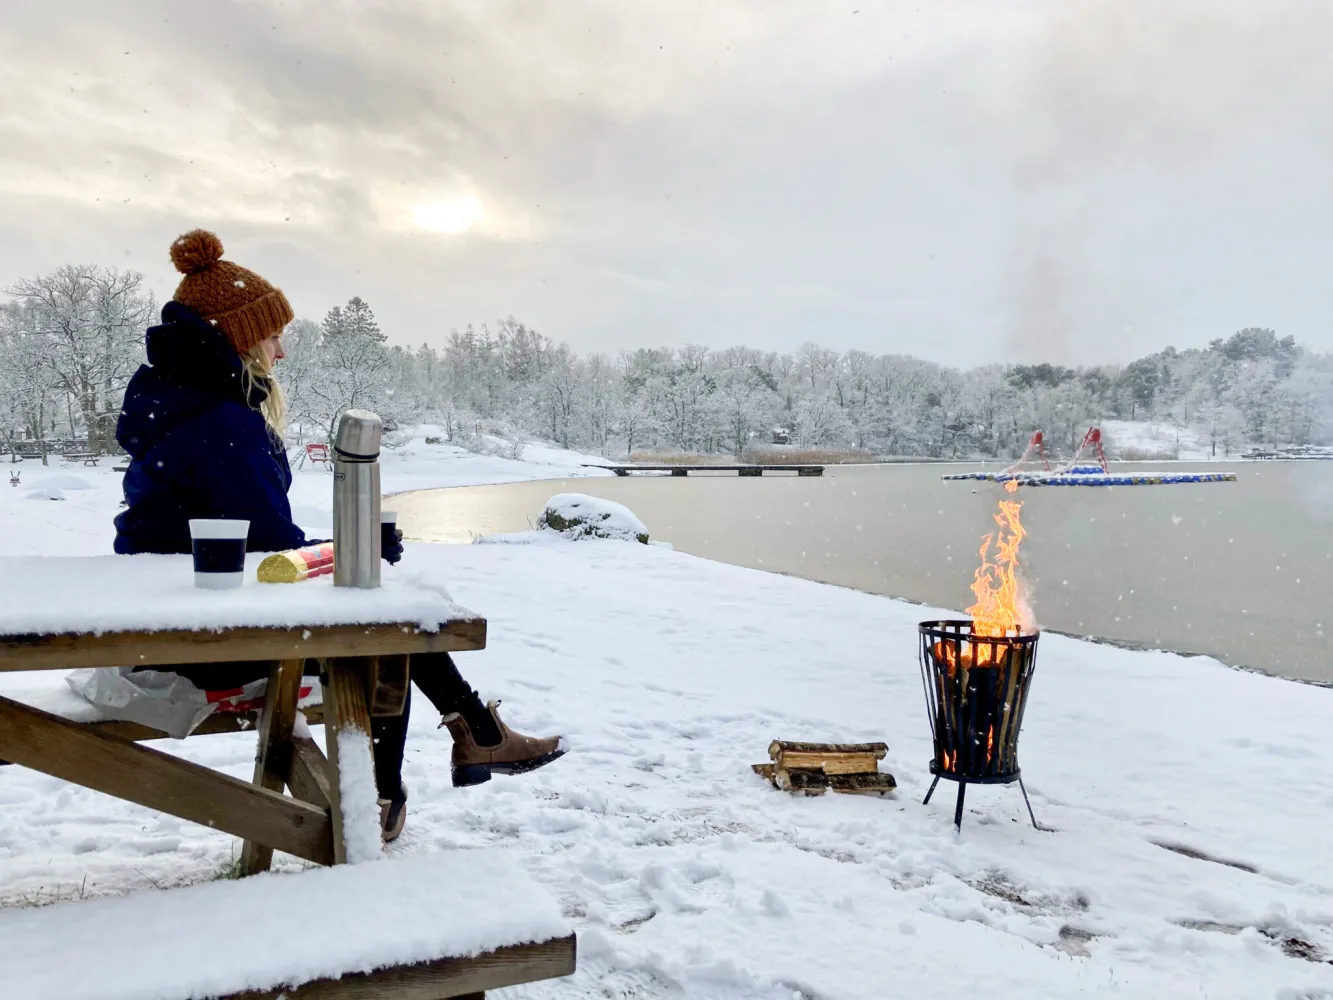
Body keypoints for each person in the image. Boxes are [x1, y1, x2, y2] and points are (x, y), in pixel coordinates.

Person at [112, 229, 565, 842]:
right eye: (273, 335)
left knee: (379, 604)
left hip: (177, 609)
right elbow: (271, 546)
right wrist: (350, 553)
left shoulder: (179, 405)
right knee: (385, 627)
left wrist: (341, 550)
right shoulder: (223, 424)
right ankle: (400, 780)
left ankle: (463, 741)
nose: (282, 352)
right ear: (238, 338)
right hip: (206, 641)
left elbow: (250, 537)